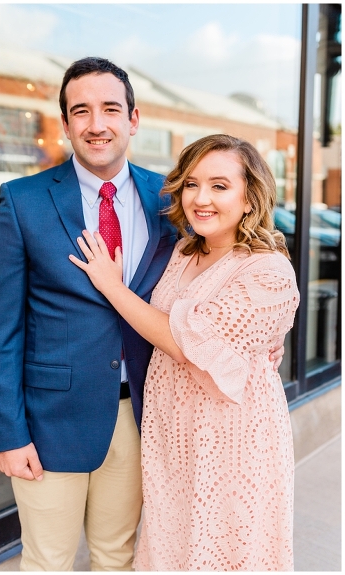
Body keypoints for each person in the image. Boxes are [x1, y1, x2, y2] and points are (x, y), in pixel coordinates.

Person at [0, 57, 285, 571]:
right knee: (46, 559)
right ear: (66, 123)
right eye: (81, 111)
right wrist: (9, 434)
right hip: (49, 420)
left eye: (110, 109)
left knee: (118, 557)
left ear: (133, 119)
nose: (96, 124)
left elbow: (217, 282)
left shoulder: (171, 197)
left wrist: (251, 341)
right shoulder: (23, 201)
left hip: (144, 416)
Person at [70, 134, 298, 570]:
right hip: (173, 439)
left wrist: (111, 286)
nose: (201, 198)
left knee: (223, 551)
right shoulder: (182, 251)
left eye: (219, 185)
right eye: (191, 184)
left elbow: (182, 344)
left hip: (232, 441)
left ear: (249, 197)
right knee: (172, 548)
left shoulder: (268, 269)